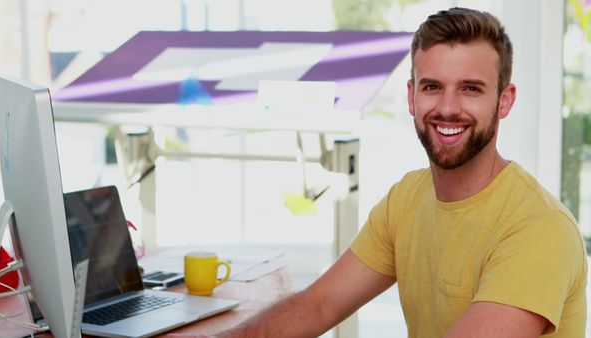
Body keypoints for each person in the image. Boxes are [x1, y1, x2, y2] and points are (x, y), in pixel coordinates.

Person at [167, 7, 588, 338]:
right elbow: (320, 305)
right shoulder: (408, 197)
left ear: (504, 100)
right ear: (411, 96)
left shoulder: (537, 229)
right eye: (432, 86)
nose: (446, 107)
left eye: (471, 89)